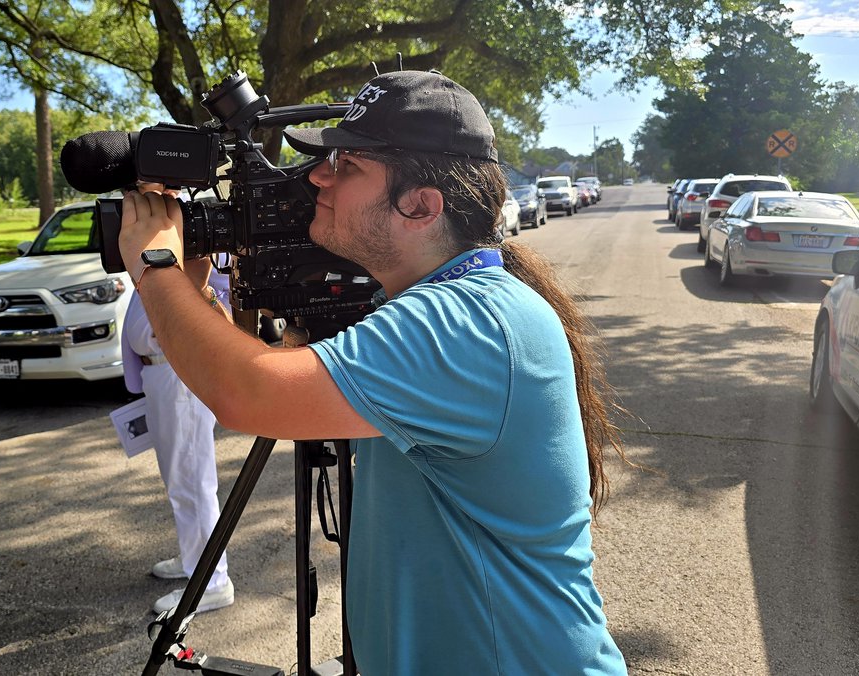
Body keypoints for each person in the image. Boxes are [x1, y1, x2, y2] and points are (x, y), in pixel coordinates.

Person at [117, 70, 628, 674]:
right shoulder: (444, 306)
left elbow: (247, 393)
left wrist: (156, 265)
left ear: (420, 205)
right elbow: (288, 387)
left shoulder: (465, 323)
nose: (316, 177)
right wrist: (197, 299)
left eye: (347, 165)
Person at [120, 232, 234, 615]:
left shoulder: (196, 232)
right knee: (180, 479)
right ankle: (195, 560)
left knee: (192, 479)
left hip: (178, 372)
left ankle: (212, 580)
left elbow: (223, 299)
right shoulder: (161, 232)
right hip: (162, 375)